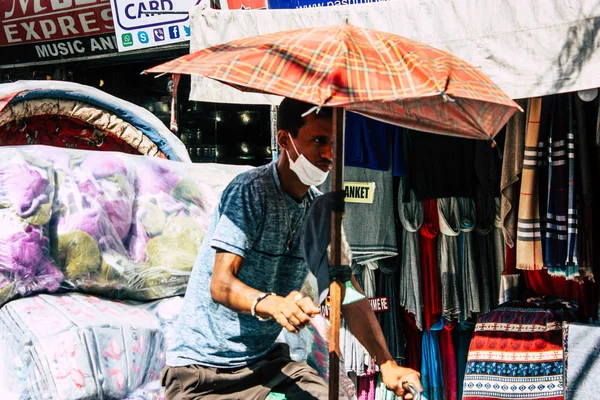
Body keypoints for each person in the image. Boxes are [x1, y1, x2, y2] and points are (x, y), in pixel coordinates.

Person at [160, 98, 422, 399]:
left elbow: (347, 292)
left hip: (266, 365)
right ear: (285, 140)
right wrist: (273, 304)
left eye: (336, 143)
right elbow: (221, 284)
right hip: (202, 372)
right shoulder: (250, 190)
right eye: (319, 141)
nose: (329, 154)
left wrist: (387, 363)